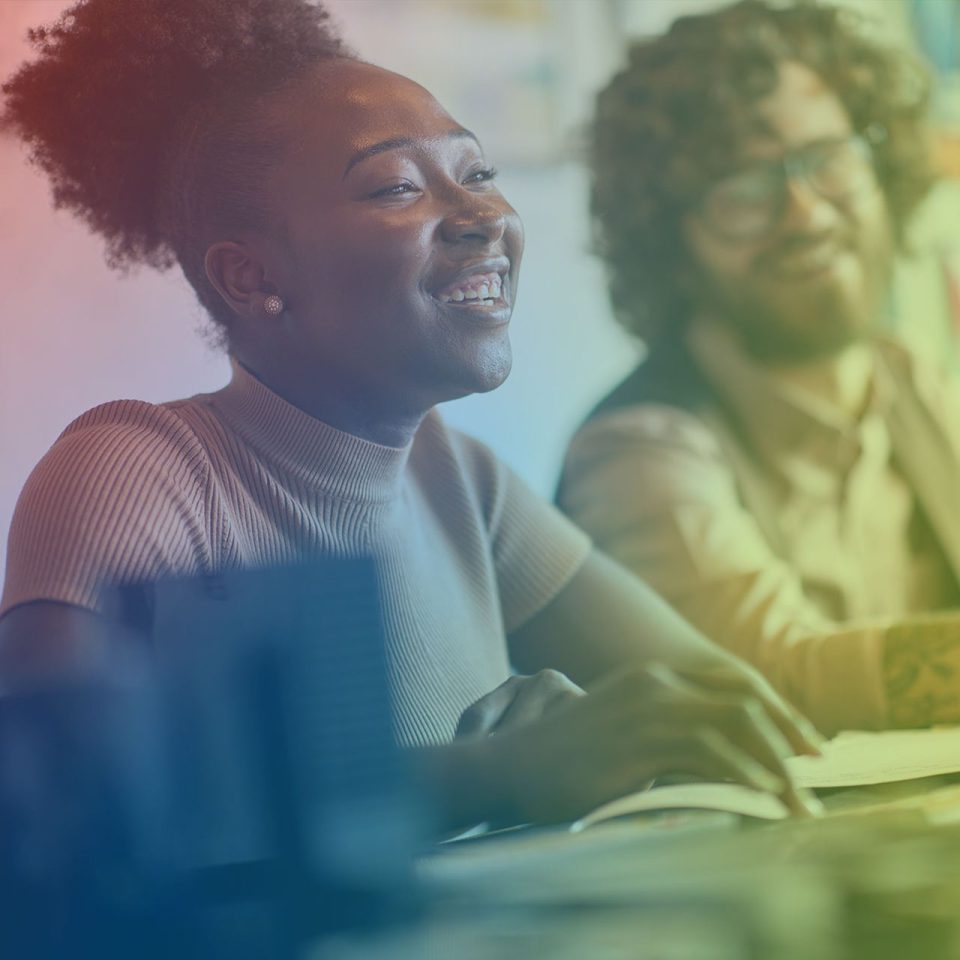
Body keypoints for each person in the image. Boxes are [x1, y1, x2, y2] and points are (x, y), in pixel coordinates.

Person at [0, 0, 822, 829]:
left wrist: (605, 736)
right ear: (248, 279)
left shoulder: (459, 479)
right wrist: (488, 775)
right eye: (396, 186)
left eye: (477, 173)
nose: (483, 218)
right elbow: (55, 798)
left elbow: (721, 704)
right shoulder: (138, 469)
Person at [558, 0, 960, 736]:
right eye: (744, 187)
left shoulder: (920, 385)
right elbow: (766, 676)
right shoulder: (634, 451)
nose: (805, 213)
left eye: (829, 159)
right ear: (667, 239)